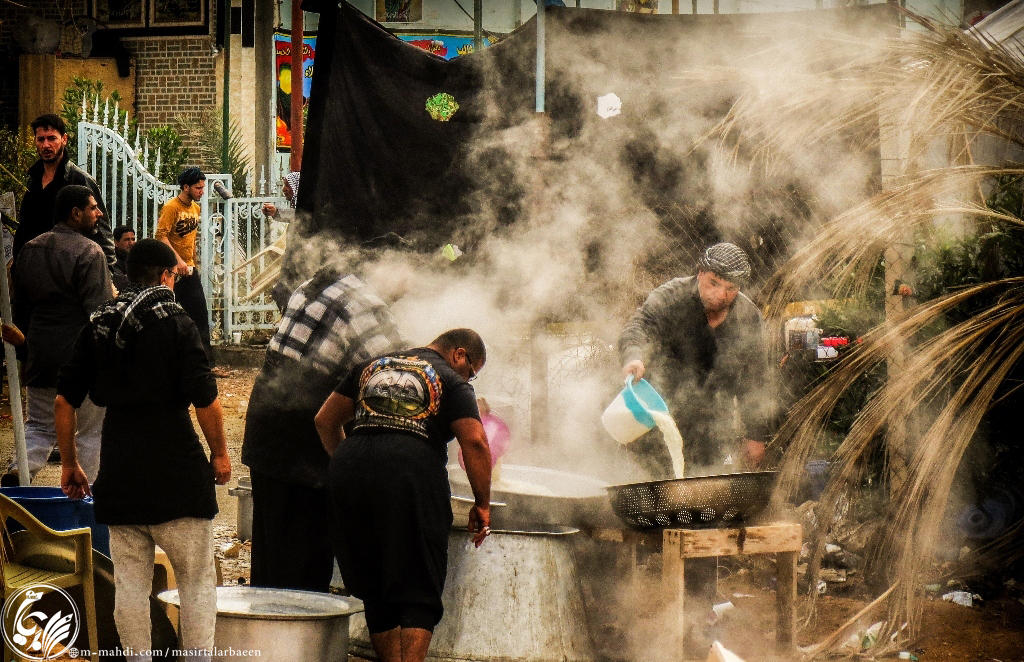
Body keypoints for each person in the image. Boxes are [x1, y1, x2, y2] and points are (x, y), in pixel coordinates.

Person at [56, 239, 231, 662]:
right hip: (178, 473)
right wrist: (220, 455)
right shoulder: (177, 321)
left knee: (130, 586)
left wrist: (70, 464)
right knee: (196, 583)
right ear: (167, 276)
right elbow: (206, 400)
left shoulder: (99, 323)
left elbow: (63, 402)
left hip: (120, 473)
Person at [617, 242, 770, 655]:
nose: (721, 295)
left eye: (730, 289)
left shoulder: (748, 317)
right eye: (714, 283)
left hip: (709, 427)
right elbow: (638, 327)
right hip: (658, 419)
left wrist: (755, 434)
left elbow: (757, 379)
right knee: (649, 516)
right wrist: (634, 358)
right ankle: (626, 609)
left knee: (702, 513)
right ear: (701, 274)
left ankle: (698, 616)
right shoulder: (670, 297)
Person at [315, 329, 492, 662]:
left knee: (374, 583)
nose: (469, 379)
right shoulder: (451, 380)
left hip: (349, 470)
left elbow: (325, 420)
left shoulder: (372, 365)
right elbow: (475, 441)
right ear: (459, 355)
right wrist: (482, 503)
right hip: (410, 473)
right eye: (471, 371)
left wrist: (352, 465)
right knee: (419, 587)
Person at [241, 263, 406, 592]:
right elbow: (400, 373)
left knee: (271, 552)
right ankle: (297, 623)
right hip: (303, 444)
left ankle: (266, 619)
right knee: (304, 562)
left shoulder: (314, 285)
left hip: (265, 432)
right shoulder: (362, 303)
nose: (405, 292)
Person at [3, 185, 112, 485]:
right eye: (93, 208)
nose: (99, 214)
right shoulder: (90, 252)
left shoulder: (30, 249)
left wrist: (26, 349)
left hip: (40, 353)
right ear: (75, 214)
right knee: (90, 431)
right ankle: (85, 494)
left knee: (39, 426)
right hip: (80, 356)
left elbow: (18, 305)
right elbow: (101, 313)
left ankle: (20, 474)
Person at [14, 114, 115, 267]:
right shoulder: (33, 178)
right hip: (33, 268)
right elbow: (25, 228)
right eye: (41, 139)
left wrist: (107, 273)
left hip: (67, 270)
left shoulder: (79, 180)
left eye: (52, 138)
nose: (46, 145)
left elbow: (102, 233)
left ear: (64, 139)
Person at [157, 167, 221, 373]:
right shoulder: (171, 207)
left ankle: (206, 365)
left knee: (200, 315)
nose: (202, 191)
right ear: (186, 187)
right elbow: (161, 236)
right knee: (169, 317)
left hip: (190, 270)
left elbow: (191, 238)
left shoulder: (195, 208)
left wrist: (193, 261)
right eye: (198, 188)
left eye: (203, 188)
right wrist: (178, 262)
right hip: (172, 272)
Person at [111, 224, 136, 291]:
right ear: (116, 242)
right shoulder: (112, 260)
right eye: (127, 240)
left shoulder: (135, 258)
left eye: (133, 239)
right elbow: (121, 282)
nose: (131, 243)